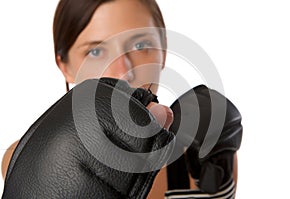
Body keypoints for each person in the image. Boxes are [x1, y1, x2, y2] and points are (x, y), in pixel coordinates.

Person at [2, 0, 242, 198]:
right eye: (95, 51)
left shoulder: (199, 155)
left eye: (140, 45)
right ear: (65, 66)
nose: (123, 71)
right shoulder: (27, 161)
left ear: (163, 52)